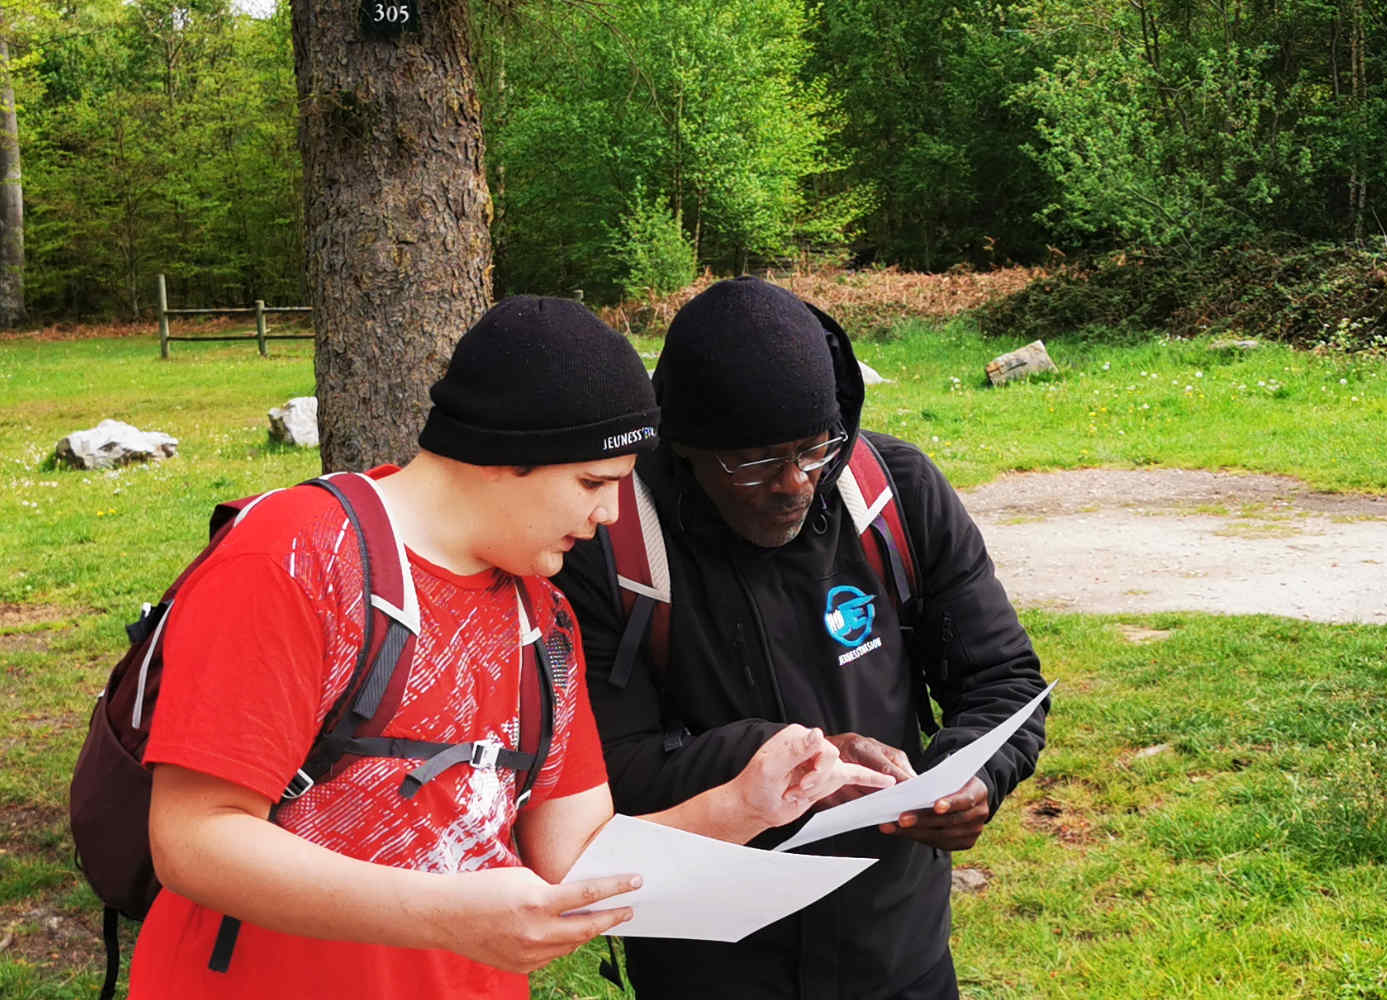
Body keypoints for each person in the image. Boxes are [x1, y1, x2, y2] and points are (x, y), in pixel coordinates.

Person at [133, 295, 890, 999]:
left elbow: (574, 855)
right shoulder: (294, 556)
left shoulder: (544, 618)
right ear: (505, 454)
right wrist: (445, 915)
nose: (607, 516)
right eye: (594, 481)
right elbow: (195, 838)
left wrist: (742, 805)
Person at [553, 277, 1051, 1000]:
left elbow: (1003, 677)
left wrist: (973, 779)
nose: (794, 484)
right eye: (754, 462)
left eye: (814, 450)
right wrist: (784, 759)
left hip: (897, 945)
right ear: (686, 445)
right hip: (710, 962)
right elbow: (604, 772)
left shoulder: (894, 494)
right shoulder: (611, 543)